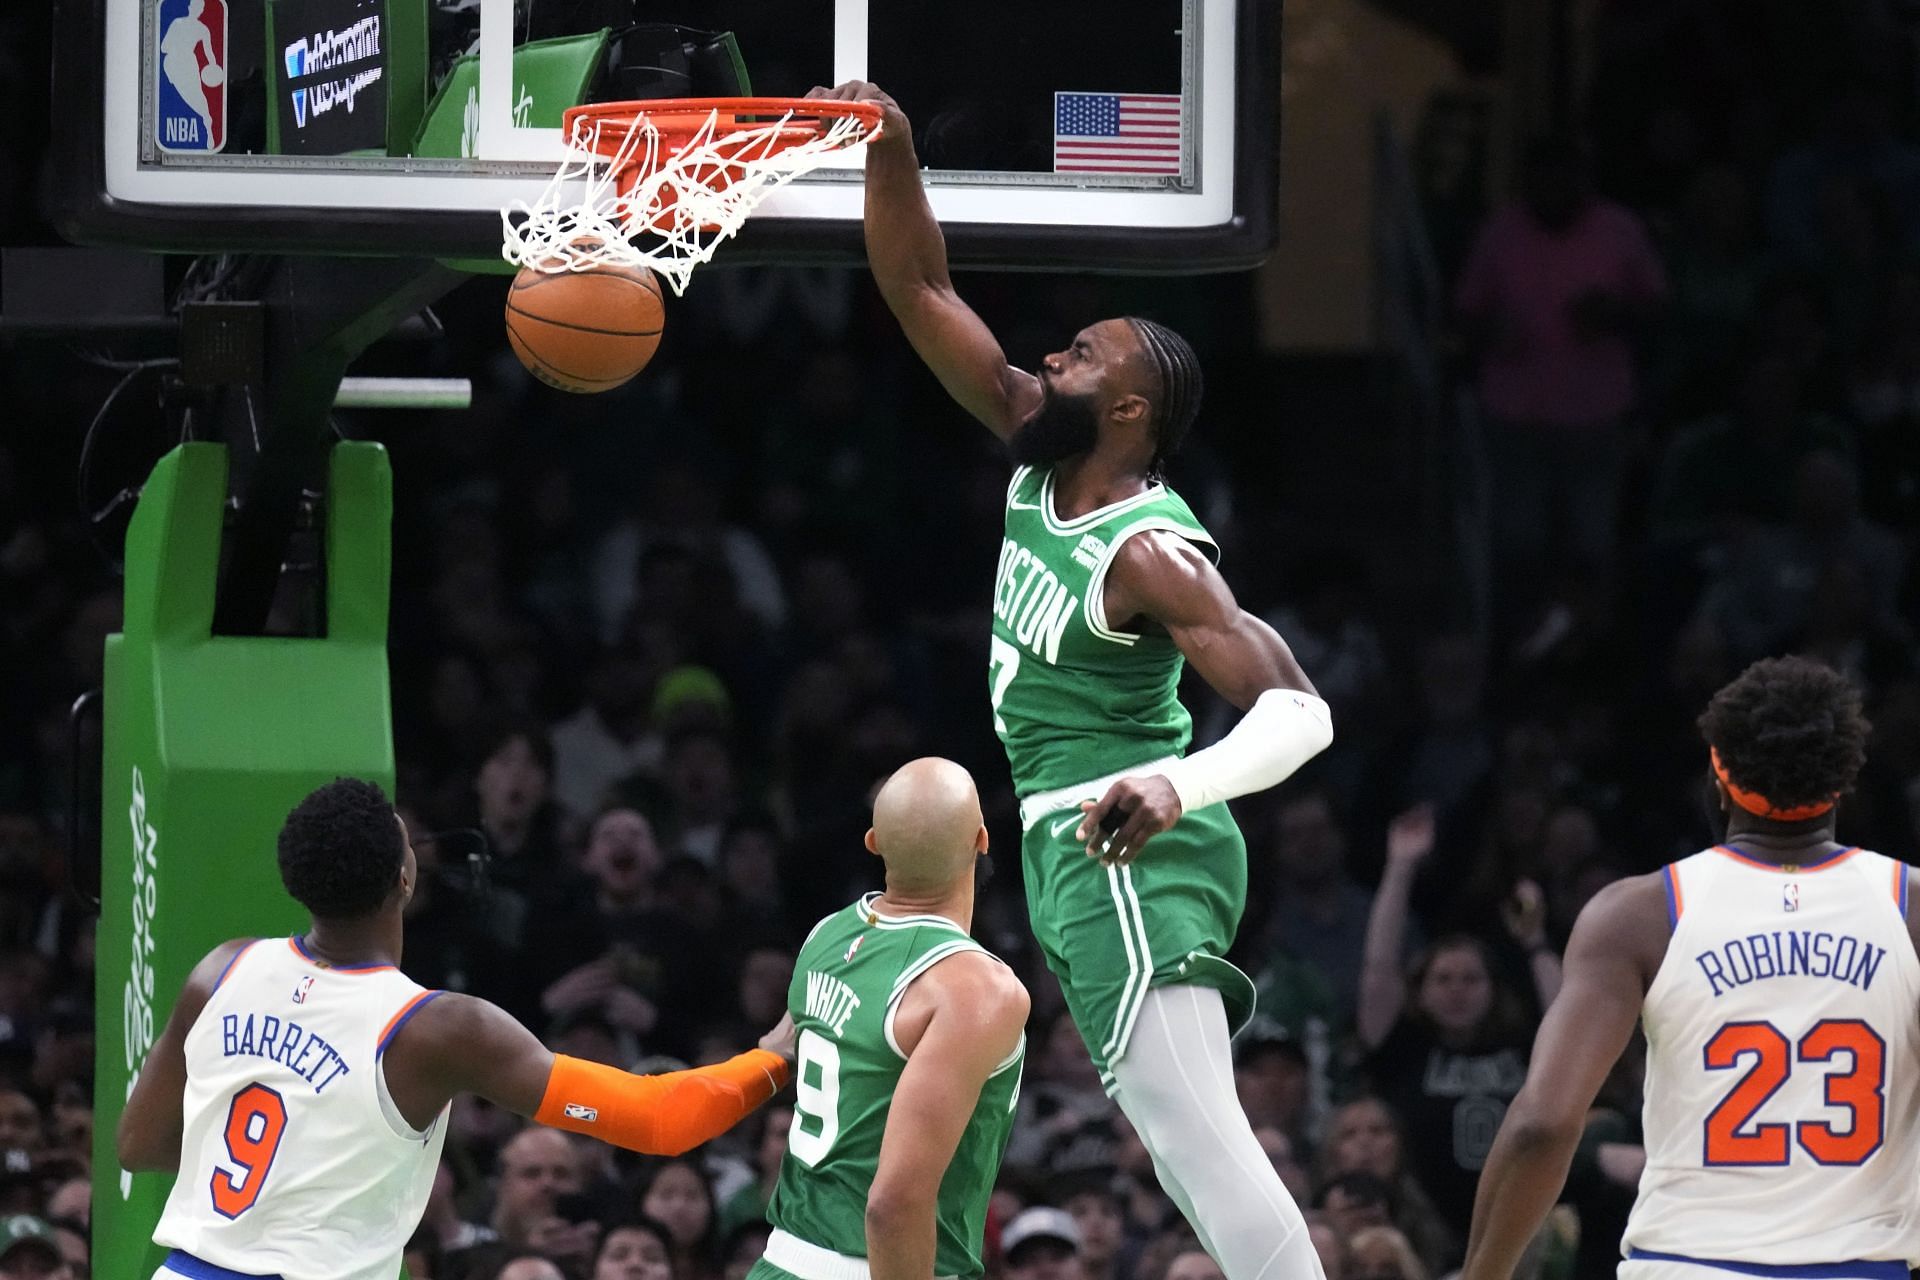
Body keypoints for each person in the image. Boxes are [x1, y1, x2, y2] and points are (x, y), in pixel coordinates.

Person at [817, 77, 1334, 1280]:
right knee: (1189, 1140)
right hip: (1076, 846)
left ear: (1130, 406)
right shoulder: (1029, 446)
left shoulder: (1151, 552)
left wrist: (1175, 783)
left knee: (1199, 1147)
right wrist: (893, 147)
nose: (1051, 354)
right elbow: (919, 285)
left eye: (1082, 354)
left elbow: (1301, 709)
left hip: (1127, 843)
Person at [118, 777, 795, 1280]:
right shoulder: (436, 1028)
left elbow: (138, 1144)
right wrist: (773, 1055)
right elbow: (658, 1119)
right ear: (405, 876)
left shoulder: (222, 969)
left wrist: (296, 1165)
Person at [1463, 657, 1917, 1280]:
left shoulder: (1639, 914)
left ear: (1718, 773)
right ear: (1842, 783)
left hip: (1688, 1264)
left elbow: (1544, 1123)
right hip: (1860, 1267)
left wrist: (1484, 1273)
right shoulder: (1911, 908)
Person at [748, 758, 1029, 1280]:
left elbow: (777, 1046)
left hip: (779, 1261)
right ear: (983, 839)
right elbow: (892, 1204)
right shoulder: (977, 989)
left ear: (873, 842)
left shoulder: (823, 938)